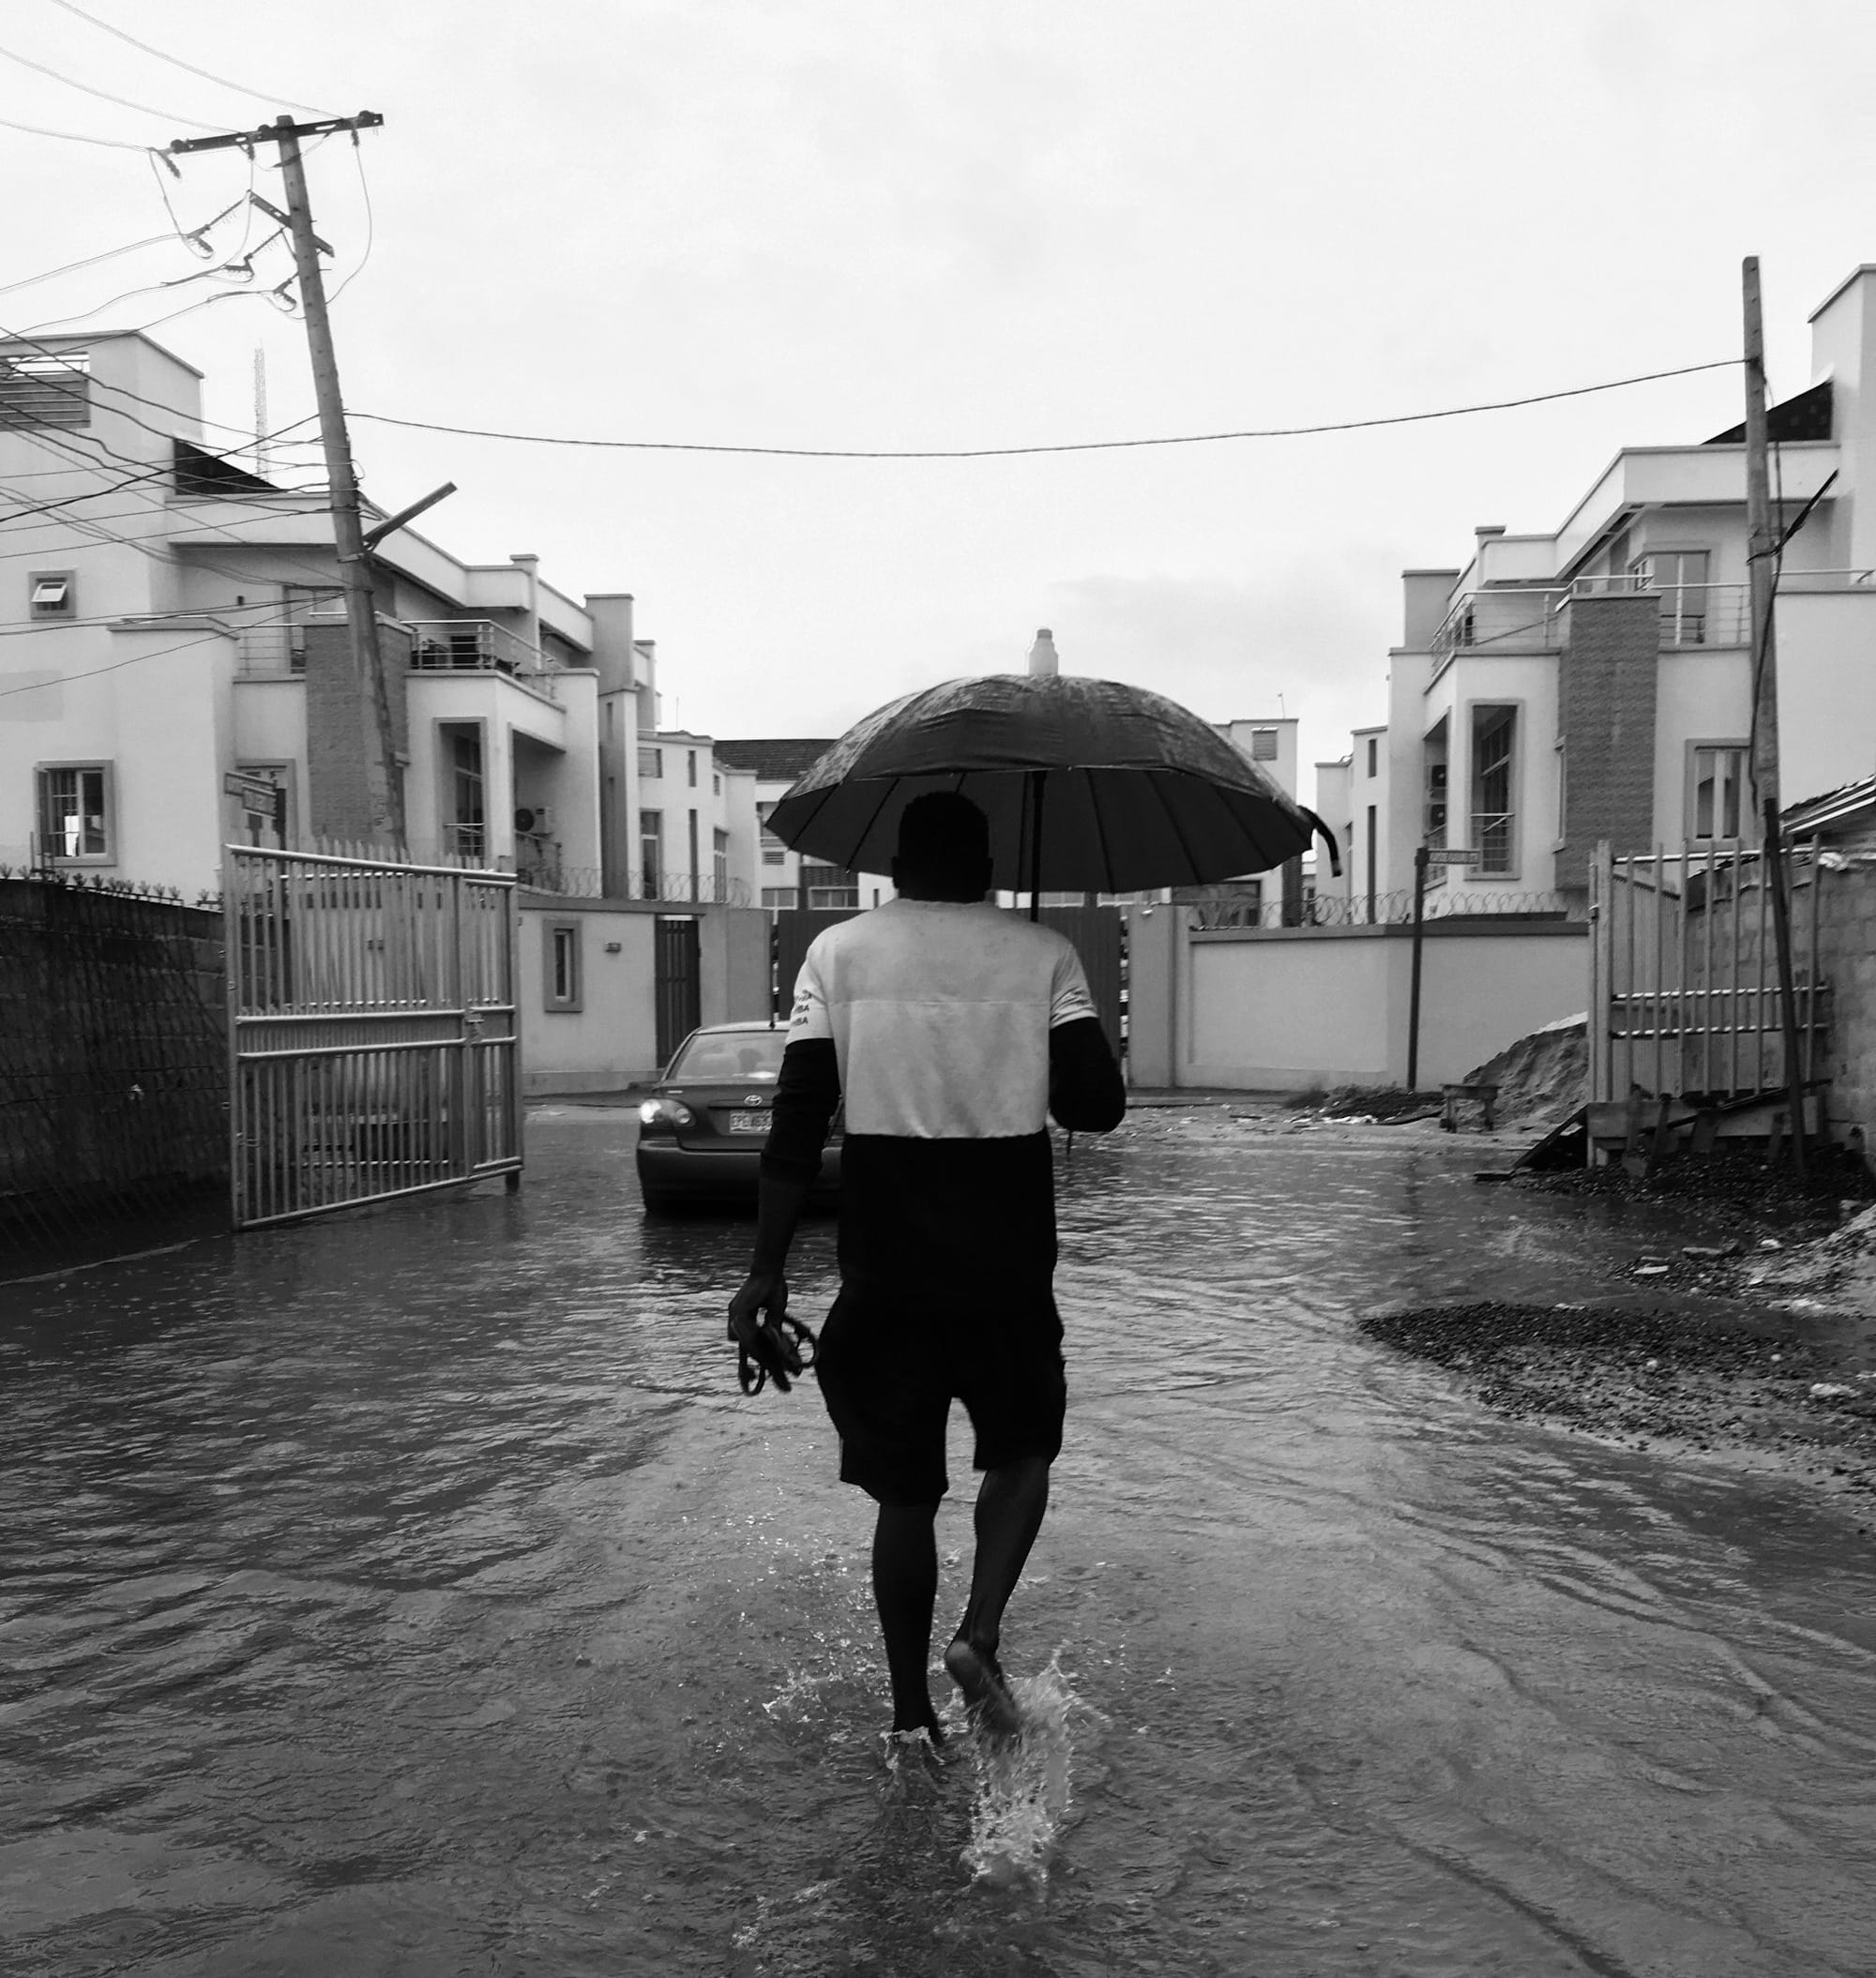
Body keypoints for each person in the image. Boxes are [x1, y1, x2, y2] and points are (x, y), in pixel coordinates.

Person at [726, 792, 1126, 1742]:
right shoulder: (1044, 955)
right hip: (1007, 1269)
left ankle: (911, 1721)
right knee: (1022, 1449)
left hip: (884, 1271)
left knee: (906, 1496)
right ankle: (978, 1634)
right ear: (985, 867)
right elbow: (1096, 1107)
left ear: (894, 867)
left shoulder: (837, 955)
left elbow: (795, 1120)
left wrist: (763, 1273)